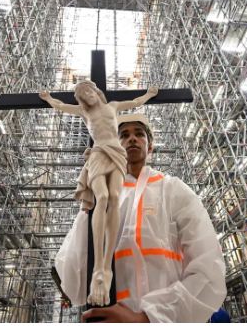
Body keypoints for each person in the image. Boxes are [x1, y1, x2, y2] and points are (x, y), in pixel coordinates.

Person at [55, 113, 227, 322]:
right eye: (124, 135)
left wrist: (148, 318)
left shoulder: (173, 190)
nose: (132, 139)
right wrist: (88, 208)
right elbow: (73, 281)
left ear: (150, 146)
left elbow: (208, 268)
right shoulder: (104, 197)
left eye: (139, 134)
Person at [40, 83, 158, 306]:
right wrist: (48, 98)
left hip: (116, 152)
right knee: (101, 198)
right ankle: (98, 269)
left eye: (89, 91)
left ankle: (106, 265)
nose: (88, 96)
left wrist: (149, 95)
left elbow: (134, 103)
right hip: (98, 153)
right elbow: (61, 106)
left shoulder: (112, 106)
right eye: (83, 94)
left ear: (97, 92)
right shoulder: (84, 112)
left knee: (114, 197)